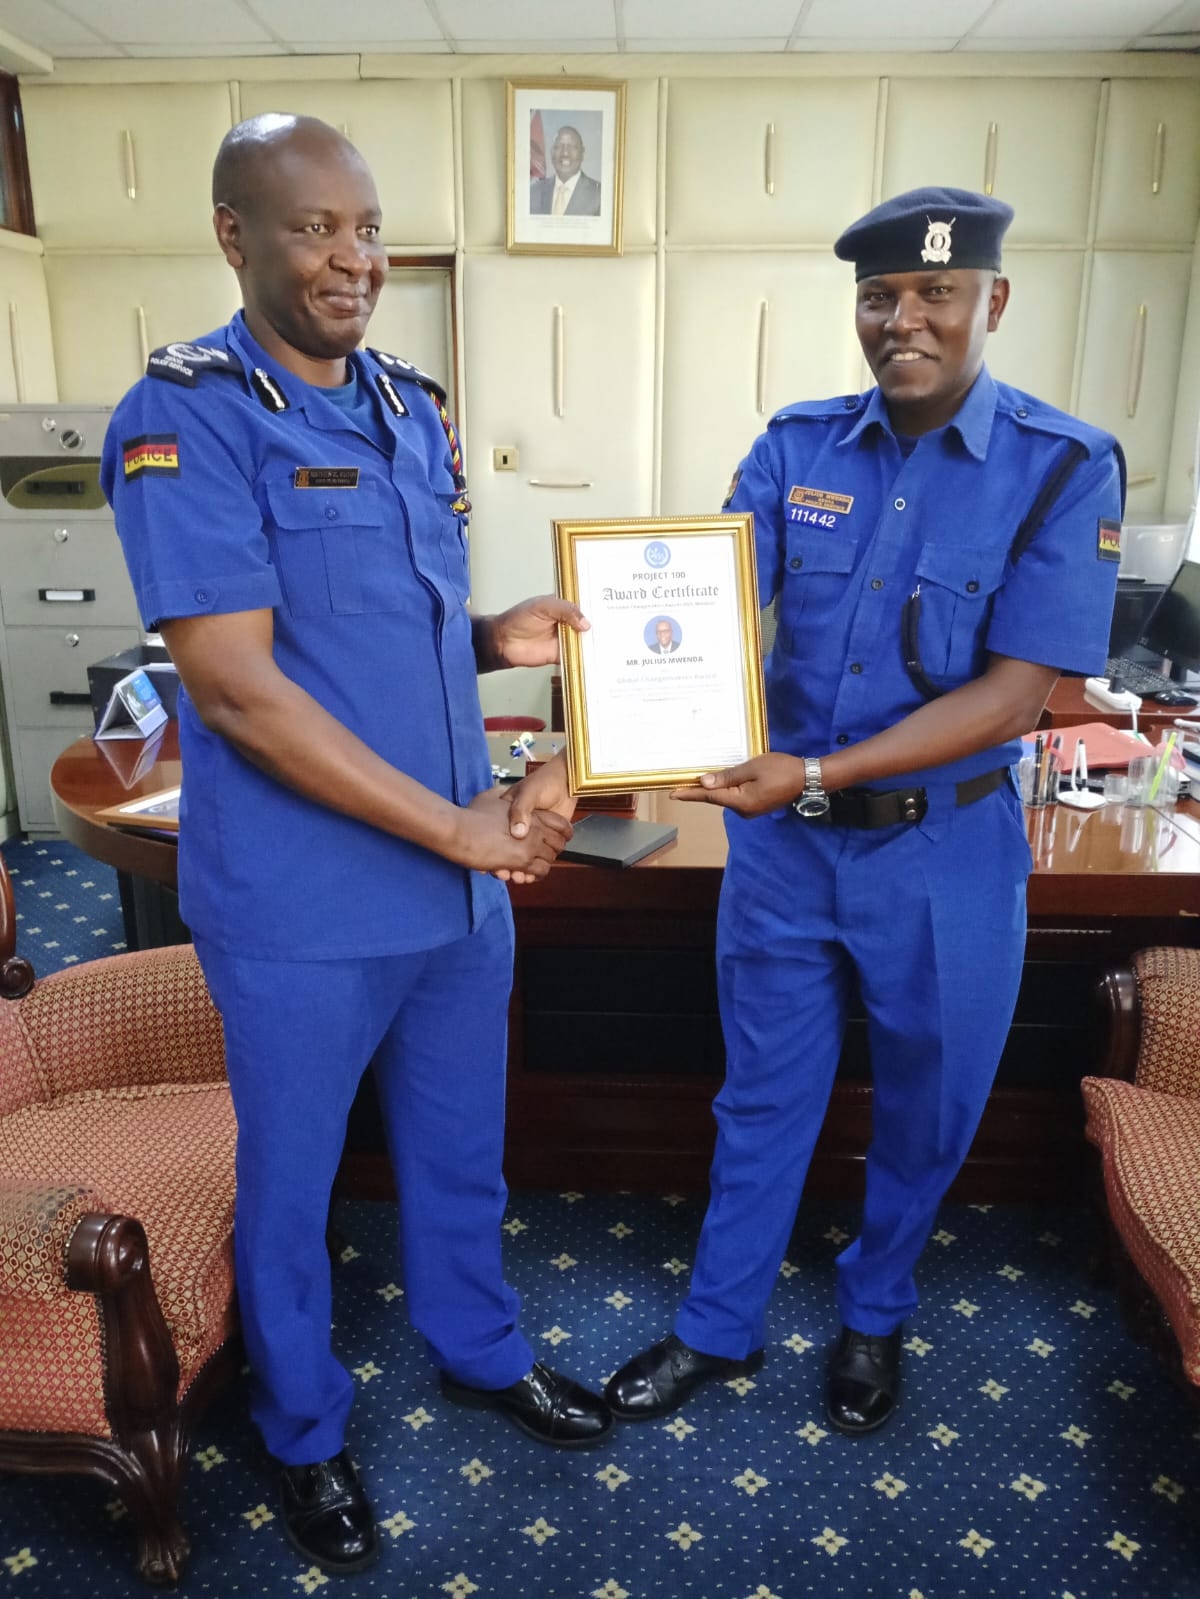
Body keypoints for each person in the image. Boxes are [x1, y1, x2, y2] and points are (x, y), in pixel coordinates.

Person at [511, 187, 1124, 1438]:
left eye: (934, 295)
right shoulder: (799, 447)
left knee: (929, 1100)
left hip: (945, 852)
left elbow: (1016, 697)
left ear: (991, 303)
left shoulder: (1063, 465)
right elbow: (701, 607)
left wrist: (819, 773)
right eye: (880, 296)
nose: (903, 320)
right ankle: (718, 1326)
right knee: (763, 1095)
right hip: (786, 859)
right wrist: (600, 717)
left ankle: (875, 1312)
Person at [100, 113, 611, 1578]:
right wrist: (460, 819)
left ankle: (479, 1345)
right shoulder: (186, 413)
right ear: (235, 235)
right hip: (304, 904)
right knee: (293, 1183)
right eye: (315, 226)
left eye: (367, 228)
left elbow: (369, 633)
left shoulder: (405, 403)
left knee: (461, 1154)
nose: (353, 257)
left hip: (457, 892)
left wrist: (488, 635)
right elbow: (242, 687)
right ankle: (304, 1426)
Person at [530, 124, 601, 216]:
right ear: (551, 152)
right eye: (558, 146)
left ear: (582, 153)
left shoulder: (599, 194)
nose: (565, 153)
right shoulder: (534, 192)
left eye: (572, 147)